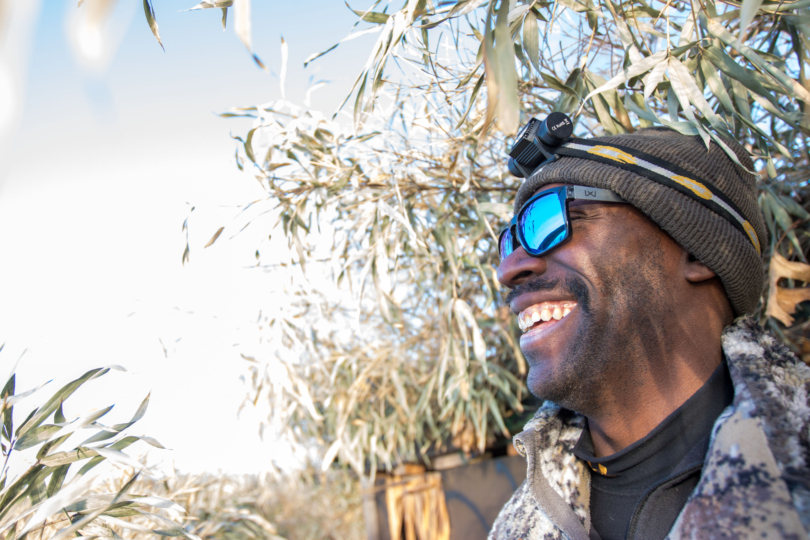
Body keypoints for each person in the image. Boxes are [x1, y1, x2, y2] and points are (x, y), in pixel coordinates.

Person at [489, 126, 810, 540]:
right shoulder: (516, 528)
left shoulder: (795, 460)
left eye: (550, 219)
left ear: (696, 247)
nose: (508, 270)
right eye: (508, 242)